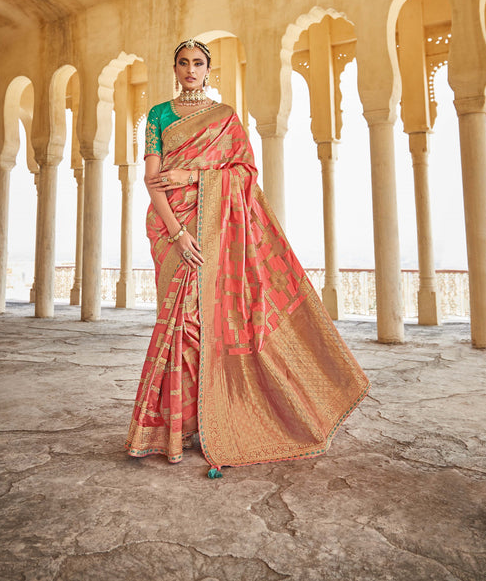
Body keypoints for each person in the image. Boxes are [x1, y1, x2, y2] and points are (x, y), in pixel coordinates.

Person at [125, 38, 369, 475]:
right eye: (183, 63)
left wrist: (193, 174)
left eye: (198, 63)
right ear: (175, 68)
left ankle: (206, 418)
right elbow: (151, 179)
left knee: (202, 323)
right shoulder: (158, 116)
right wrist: (178, 234)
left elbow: (243, 174)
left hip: (216, 230)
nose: (190, 70)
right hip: (173, 231)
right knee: (178, 323)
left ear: (208, 69)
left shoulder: (225, 119)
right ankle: (176, 427)